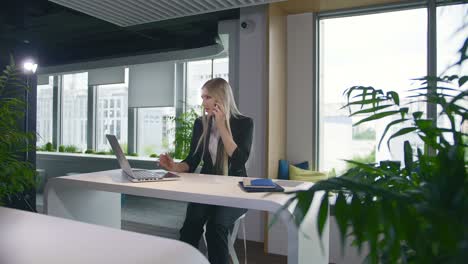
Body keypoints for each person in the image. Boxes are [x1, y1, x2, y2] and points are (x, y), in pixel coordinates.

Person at [158, 78, 253, 264]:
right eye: (202, 97)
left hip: (236, 190)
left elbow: (239, 160)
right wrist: (174, 166)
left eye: (207, 97)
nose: (203, 103)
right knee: (190, 227)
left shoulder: (244, 123)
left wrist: (222, 125)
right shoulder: (200, 124)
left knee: (215, 227)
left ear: (221, 98)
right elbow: (192, 162)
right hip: (208, 188)